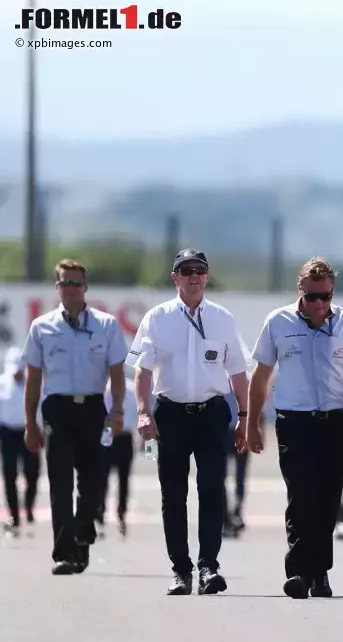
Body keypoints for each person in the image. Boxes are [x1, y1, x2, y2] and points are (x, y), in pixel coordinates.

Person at [245, 257, 343, 599]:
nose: (320, 304)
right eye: (313, 296)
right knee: (300, 496)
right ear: (300, 291)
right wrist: (252, 423)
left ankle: (320, 572)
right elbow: (260, 377)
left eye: (326, 296)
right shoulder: (278, 321)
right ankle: (300, 572)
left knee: (328, 499)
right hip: (294, 421)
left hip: (335, 421)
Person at [128, 249, 249, 596]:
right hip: (172, 414)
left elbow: (238, 372)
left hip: (211, 413)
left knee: (212, 490)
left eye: (200, 270)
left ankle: (208, 567)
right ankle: (181, 570)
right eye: (186, 270)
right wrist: (142, 410)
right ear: (175, 277)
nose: (194, 276)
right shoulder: (157, 317)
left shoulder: (223, 318)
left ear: (207, 276)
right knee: (174, 495)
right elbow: (142, 370)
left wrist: (244, 417)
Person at [22, 259, 128, 575]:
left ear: (85, 287)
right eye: (64, 283)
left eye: (76, 283)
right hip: (57, 409)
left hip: (93, 407)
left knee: (93, 479)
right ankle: (65, 552)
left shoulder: (106, 325)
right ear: (57, 287)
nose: (70, 288)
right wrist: (30, 423)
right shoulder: (42, 327)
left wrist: (118, 410)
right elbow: (33, 379)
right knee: (60, 480)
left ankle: (84, 530)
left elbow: (117, 375)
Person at [0, 348, 40, 537]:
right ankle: (14, 514)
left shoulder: (33, 382)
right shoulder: (2, 383)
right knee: (10, 476)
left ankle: (29, 506)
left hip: (29, 431)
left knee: (32, 473)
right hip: (7, 433)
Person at [97, 373, 138, 537]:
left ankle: (120, 513)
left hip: (123, 436)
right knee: (104, 478)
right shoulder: (103, 387)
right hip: (108, 436)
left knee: (122, 478)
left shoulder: (130, 389)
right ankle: (101, 513)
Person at [222, 391, 249, 538]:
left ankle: (232, 513)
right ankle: (232, 513)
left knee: (233, 476)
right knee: (238, 475)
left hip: (229, 430)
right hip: (229, 431)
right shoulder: (245, 376)